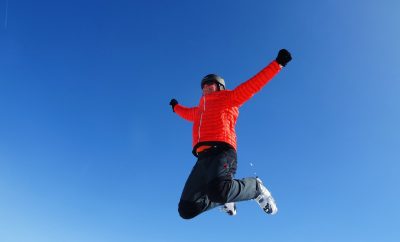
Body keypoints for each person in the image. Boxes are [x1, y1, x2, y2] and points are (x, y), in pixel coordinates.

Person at [169, 49, 292, 219]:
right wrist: (175, 107)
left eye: (209, 84)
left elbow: (253, 85)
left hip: (222, 151)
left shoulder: (229, 98)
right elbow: (185, 113)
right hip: (202, 159)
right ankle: (226, 199)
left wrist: (277, 64)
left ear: (219, 87)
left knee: (219, 190)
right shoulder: (198, 111)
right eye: (203, 85)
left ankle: (255, 187)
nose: (205, 87)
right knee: (187, 209)